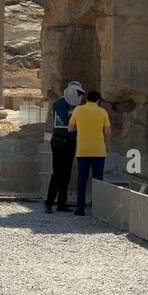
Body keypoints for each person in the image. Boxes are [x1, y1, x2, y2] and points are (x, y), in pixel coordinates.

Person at [44, 80, 83, 212]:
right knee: (57, 173)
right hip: (59, 141)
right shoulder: (60, 103)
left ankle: (61, 203)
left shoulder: (76, 106)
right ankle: (49, 203)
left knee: (66, 174)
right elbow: (67, 121)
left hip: (70, 140)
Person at [71, 89, 110, 216]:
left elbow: (70, 127)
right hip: (98, 151)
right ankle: (97, 208)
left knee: (82, 180)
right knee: (98, 181)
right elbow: (107, 132)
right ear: (98, 101)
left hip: (82, 150)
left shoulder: (78, 110)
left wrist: (81, 127)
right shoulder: (102, 111)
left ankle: (80, 208)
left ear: (86, 99)